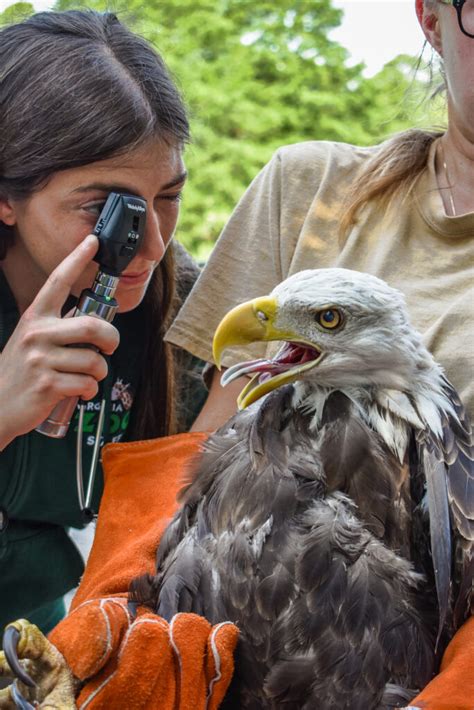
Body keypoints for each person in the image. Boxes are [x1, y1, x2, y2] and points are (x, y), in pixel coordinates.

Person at [0, 9, 205, 634]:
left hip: (41, 623)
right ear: (6, 198)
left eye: (167, 198)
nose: (148, 247)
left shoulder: (187, 311)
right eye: (103, 208)